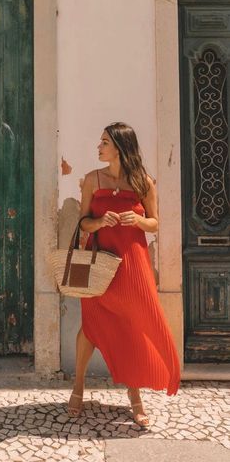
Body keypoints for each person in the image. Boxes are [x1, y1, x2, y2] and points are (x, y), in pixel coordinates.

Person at [67, 122, 180, 427]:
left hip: (132, 264)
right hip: (100, 263)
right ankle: (77, 387)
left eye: (104, 142)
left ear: (119, 146)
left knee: (133, 327)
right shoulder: (93, 179)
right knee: (90, 326)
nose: (99, 147)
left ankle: (135, 397)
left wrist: (137, 222)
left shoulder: (144, 181)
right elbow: (83, 224)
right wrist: (101, 220)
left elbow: (155, 223)